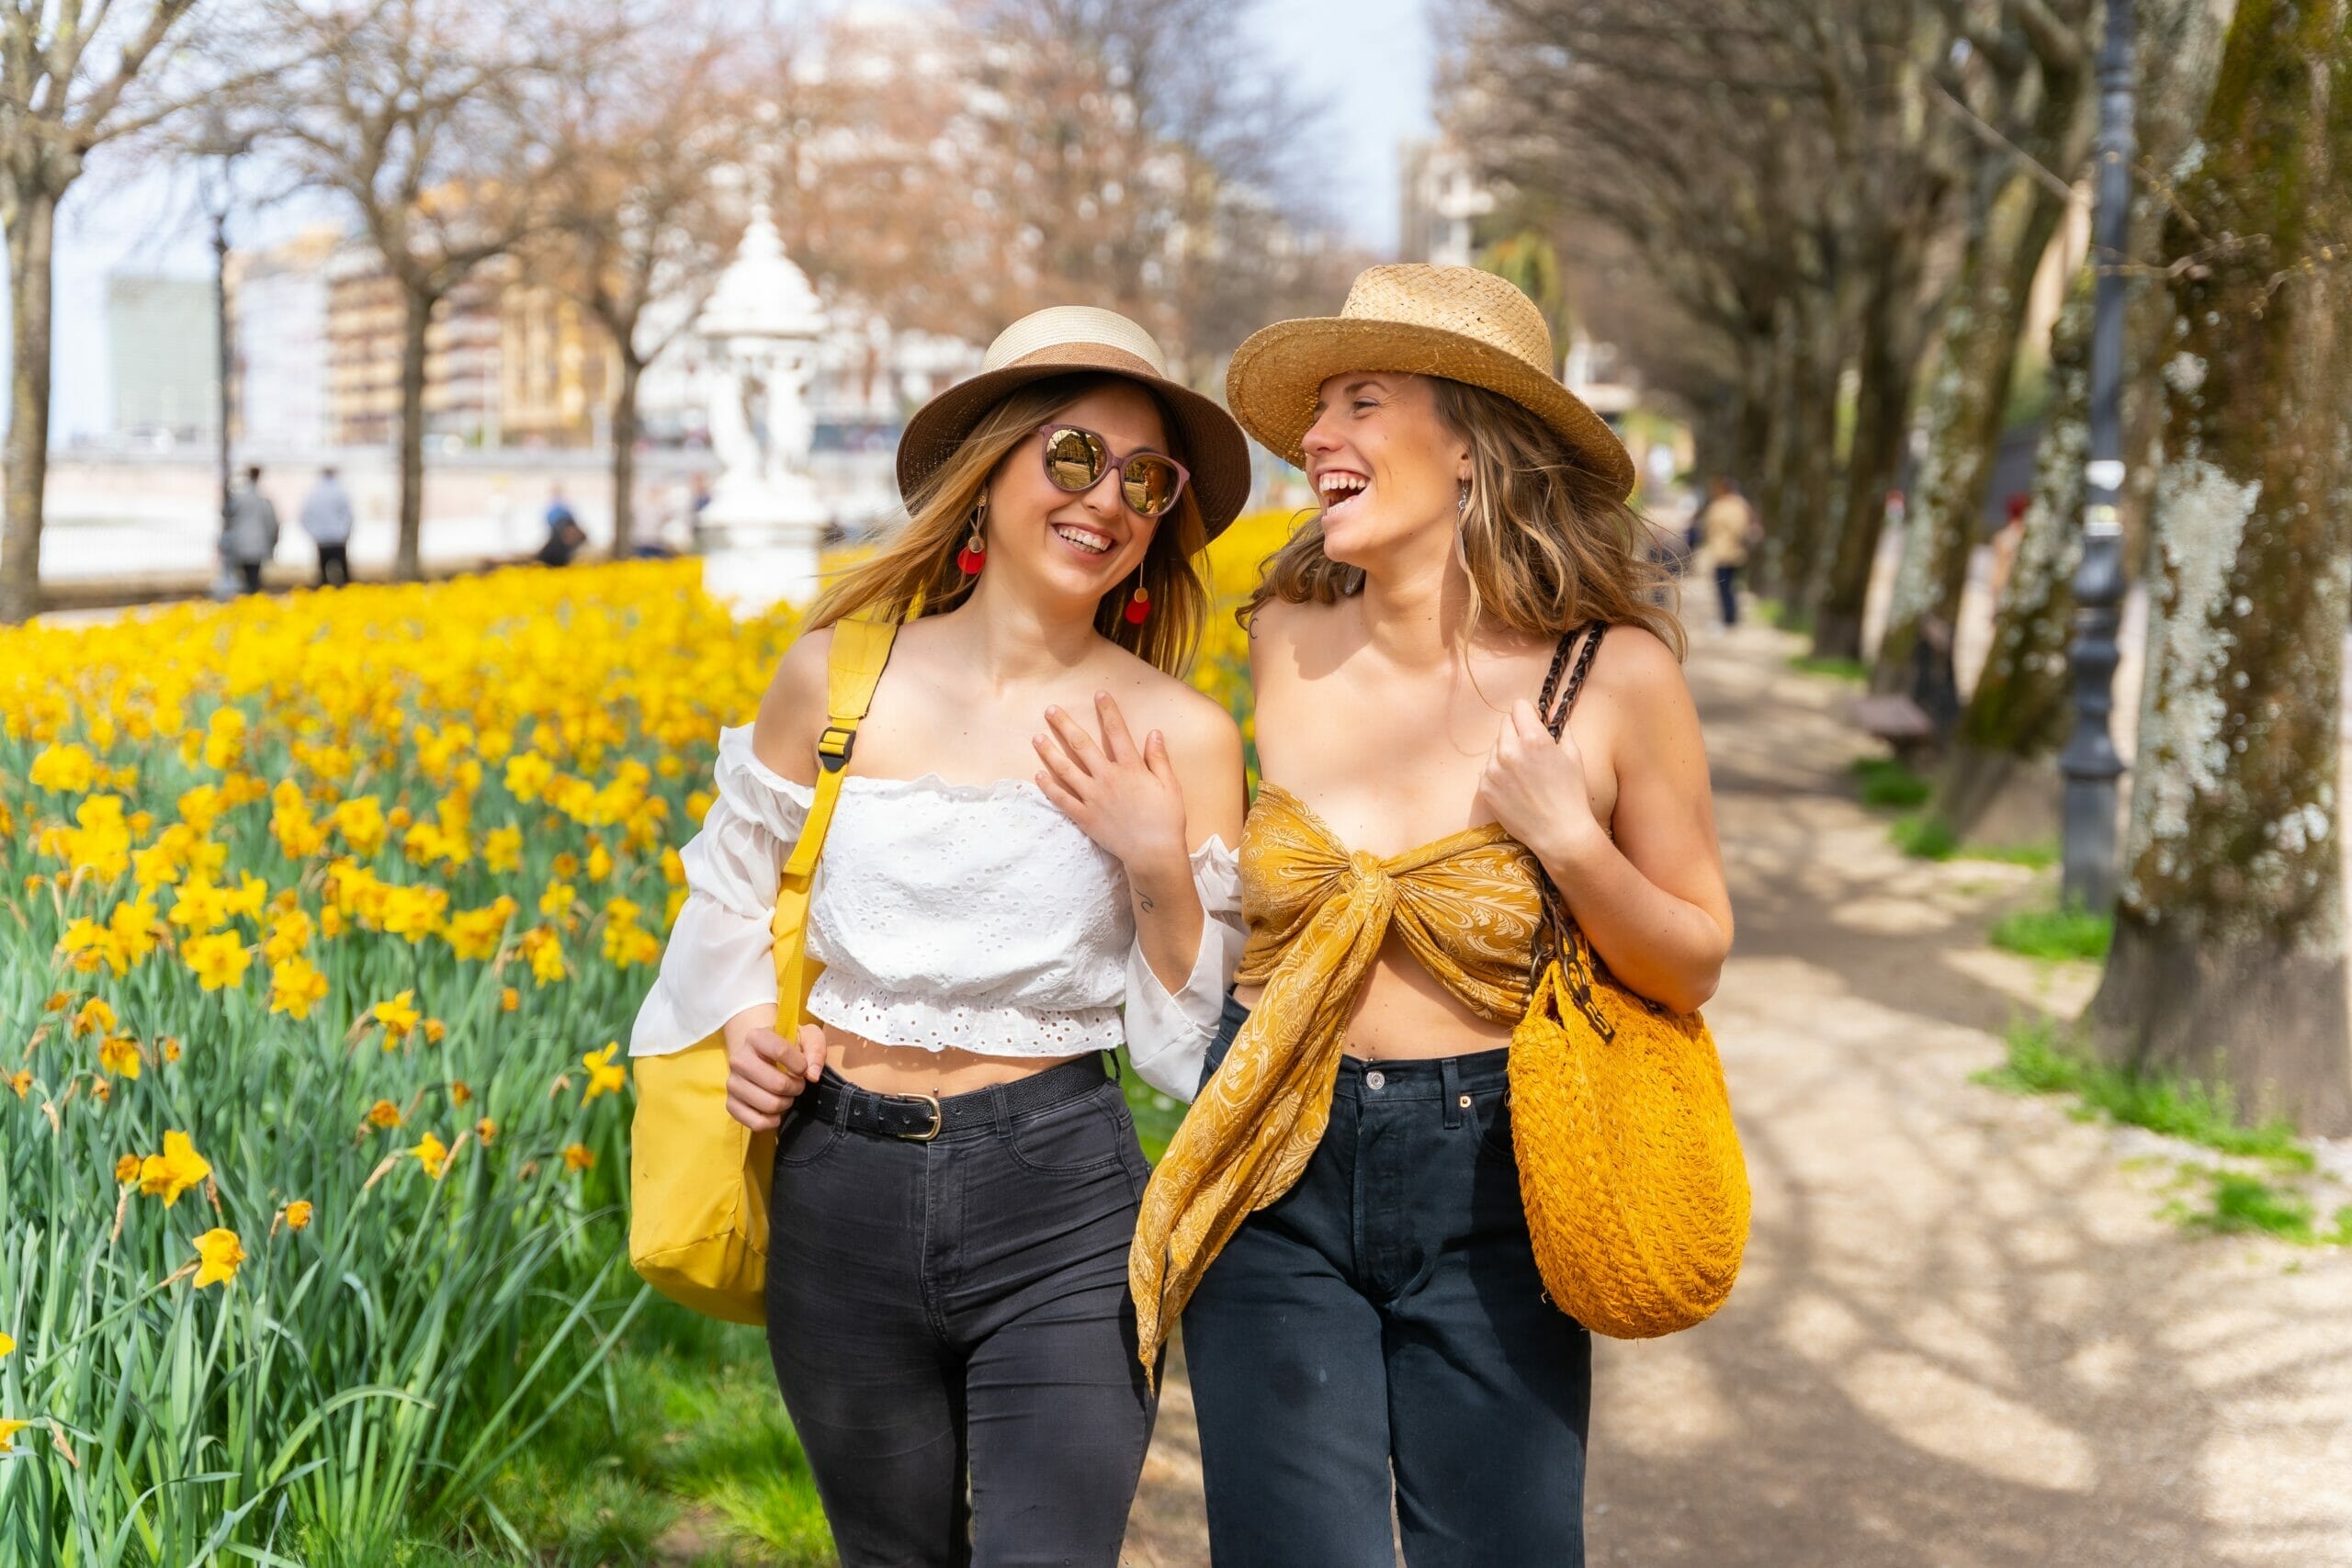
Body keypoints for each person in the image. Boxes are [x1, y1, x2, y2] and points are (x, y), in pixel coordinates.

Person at [1121, 265, 1734, 1567]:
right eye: (1314, 414)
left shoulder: (1614, 675)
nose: (1315, 440)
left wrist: (1573, 843)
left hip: (1498, 1172)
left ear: (1470, 441)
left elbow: (1692, 955)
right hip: (1273, 1144)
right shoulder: (1281, 635)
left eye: (1359, 402)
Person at [631, 306, 1252, 1567]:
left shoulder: (1181, 735)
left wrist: (1153, 861)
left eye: (1149, 478)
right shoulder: (835, 676)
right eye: (1075, 456)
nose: (1109, 499)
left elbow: (1187, 1052)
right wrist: (751, 1021)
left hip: (1062, 1196)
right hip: (837, 1187)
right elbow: (729, 894)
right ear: (991, 470)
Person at [1697, 475, 1754, 628]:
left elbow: (1710, 526)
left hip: (1724, 553)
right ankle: (1730, 616)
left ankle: (1728, 617)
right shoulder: (1741, 505)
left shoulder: (1724, 506)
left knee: (1724, 586)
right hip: (1732, 552)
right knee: (1729, 586)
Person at [221, 467, 279, 595]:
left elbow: (226, 513)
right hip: (258, 544)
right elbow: (271, 524)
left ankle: (248, 600)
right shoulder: (262, 501)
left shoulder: (238, 499)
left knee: (243, 578)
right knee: (254, 576)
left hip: (240, 544)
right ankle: (253, 599)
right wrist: (273, 542)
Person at [300, 468, 355, 587]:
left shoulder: (313, 494)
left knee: (323, 575)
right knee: (344, 575)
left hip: (322, 540)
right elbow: (348, 515)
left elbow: (305, 517)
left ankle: (325, 595)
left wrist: (315, 534)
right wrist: (344, 532)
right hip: (338, 540)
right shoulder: (340, 492)